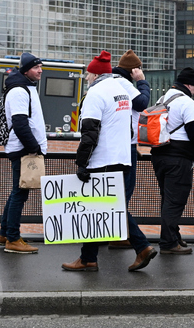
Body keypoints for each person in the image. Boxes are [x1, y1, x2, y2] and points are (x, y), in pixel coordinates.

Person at [63, 51, 158, 272]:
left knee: (107, 206)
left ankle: (142, 246)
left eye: (88, 73)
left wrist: (82, 163)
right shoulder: (121, 90)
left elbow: (90, 132)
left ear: (95, 74)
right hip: (123, 157)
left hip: (102, 159)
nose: (86, 77)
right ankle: (88, 258)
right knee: (99, 207)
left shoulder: (95, 94)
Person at [151, 67, 194, 255]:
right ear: (189, 85)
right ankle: (168, 243)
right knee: (175, 201)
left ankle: (173, 235)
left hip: (159, 155)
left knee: (168, 199)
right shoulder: (186, 102)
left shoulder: (163, 99)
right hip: (178, 158)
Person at [0, 52, 47, 255]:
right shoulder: (19, 90)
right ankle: (13, 238)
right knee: (20, 193)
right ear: (26, 69)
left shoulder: (27, 87)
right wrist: (33, 147)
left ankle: (4, 234)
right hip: (24, 149)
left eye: (41, 66)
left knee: (18, 191)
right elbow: (19, 122)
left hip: (24, 147)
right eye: (36, 67)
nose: (40, 70)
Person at [107, 50, 151, 250]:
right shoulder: (124, 83)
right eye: (139, 69)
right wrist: (142, 82)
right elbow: (142, 103)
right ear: (134, 70)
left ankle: (116, 234)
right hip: (125, 146)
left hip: (118, 144)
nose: (140, 72)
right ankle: (127, 239)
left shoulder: (112, 81)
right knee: (123, 193)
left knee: (117, 193)